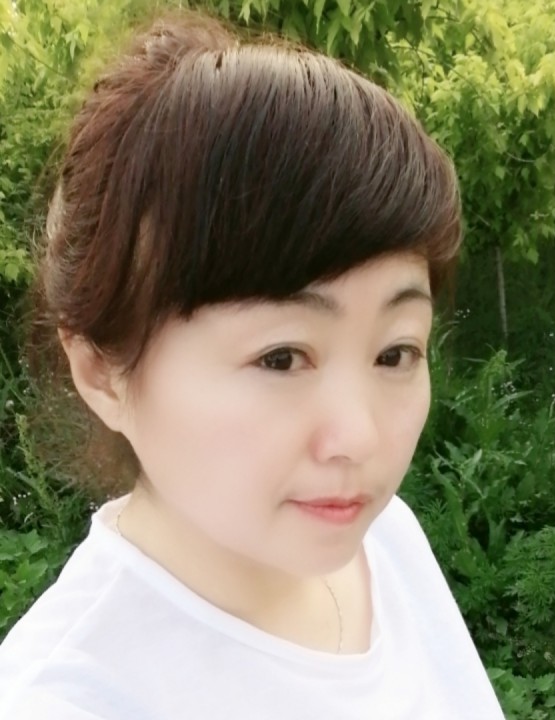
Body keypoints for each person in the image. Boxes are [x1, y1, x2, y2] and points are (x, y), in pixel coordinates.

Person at [0, 10, 505, 719]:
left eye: (395, 353)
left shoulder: (385, 543)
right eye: (281, 357)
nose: (359, 438)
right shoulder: (69, 699)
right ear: (102, 372)